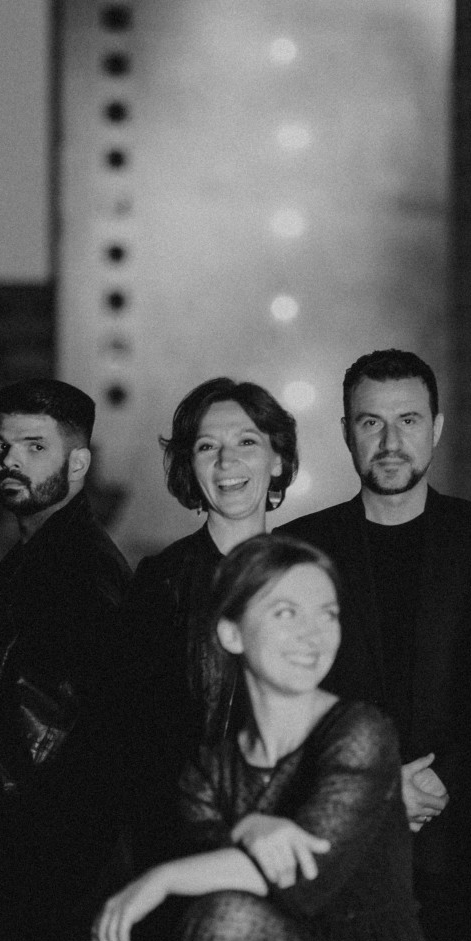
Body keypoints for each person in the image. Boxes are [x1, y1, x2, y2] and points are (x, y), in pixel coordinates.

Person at [280, 349, 471, 941]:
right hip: (340, 853)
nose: (391, 442)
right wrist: (376, 788)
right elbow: (287, 698)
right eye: (371, 422)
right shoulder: (301, 547)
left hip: (469, 847)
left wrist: (442, 778)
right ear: (346, 432)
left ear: (436, 428)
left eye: (409, 421)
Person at [93, 534, 428, 941]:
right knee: (220, 915)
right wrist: (248, 828)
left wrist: (161, 879)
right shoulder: (208, 771)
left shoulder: (361, 732)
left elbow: (305, 879)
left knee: (228, 920)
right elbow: (212, 874)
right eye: (287, 612)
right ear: (232, 634)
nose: (313, 635)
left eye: (327, 614)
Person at [0, 379, 132, 941]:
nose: (11, 462)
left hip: (35, 865)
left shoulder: (80, 571)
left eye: (34, 447)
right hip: (27, 856)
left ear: (78, 464)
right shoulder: (39, 556)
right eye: (3, 447)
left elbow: (42, 731)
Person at [116, 379, 300, 899]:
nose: (226, 461)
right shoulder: (161, 583)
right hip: (186, 860)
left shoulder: (310, 579)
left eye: (246, 441)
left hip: (293, 856)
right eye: (206, 446)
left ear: (277, 460)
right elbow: (136, 747)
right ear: (190, 469)